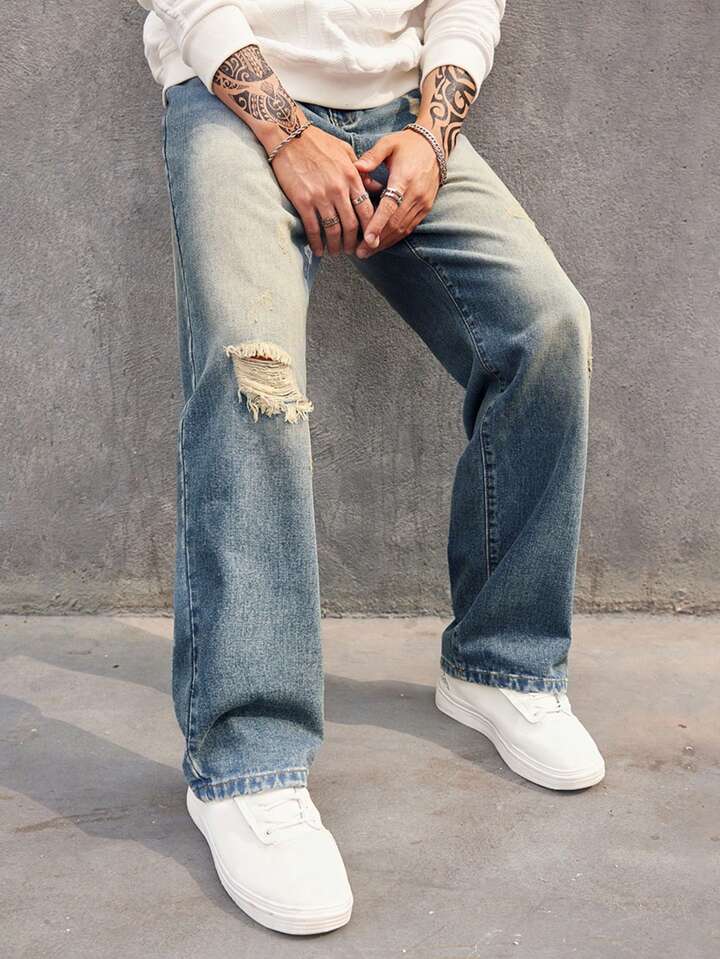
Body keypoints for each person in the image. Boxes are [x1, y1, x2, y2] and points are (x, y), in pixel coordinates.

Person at [138, 0, 604, 935]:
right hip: (235, 102)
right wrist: (286, 132)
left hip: (399, 116)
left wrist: (432, 135)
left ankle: (502, 665)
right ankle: (247, 763)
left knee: (548, 330)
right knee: (255, 371)